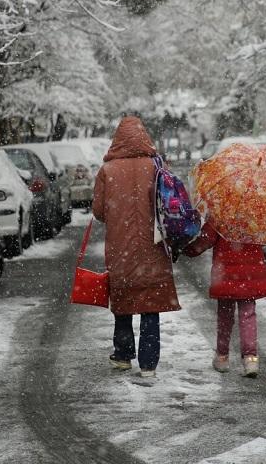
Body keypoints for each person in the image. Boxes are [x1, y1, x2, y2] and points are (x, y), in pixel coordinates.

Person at [92, 116, 180, 377]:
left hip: (120, 247)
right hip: (154, 245)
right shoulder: (156, 166)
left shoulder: (107, 171)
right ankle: (149, 363)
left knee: (123, 298)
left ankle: (122, 355)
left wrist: (117, 216)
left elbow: (98, 211)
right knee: (150, 302)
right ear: (144, 137)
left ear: (117, 139)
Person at [182, 219, 266, 377]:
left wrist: (187, 250)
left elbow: (205, 240)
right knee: (248, 315)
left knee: (225, 316)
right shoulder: (258, 212)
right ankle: (251, 358)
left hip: (225, 272)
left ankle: (222, 357)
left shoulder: (220, 213)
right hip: (251, 271)